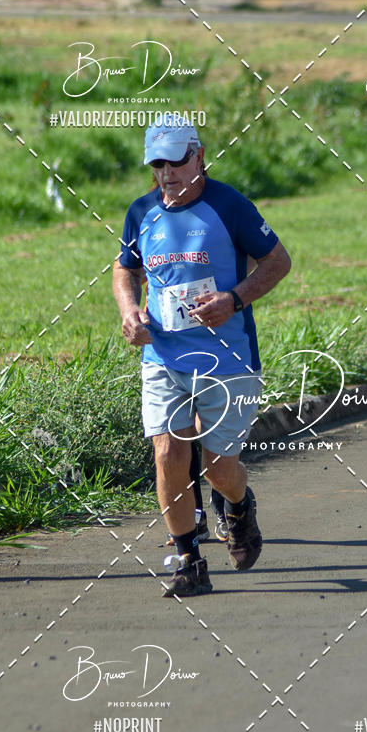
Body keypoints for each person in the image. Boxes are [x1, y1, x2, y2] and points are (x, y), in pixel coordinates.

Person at [113, 116, 291, 597]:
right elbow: (124, 269)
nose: (167, 172)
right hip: (163, 357)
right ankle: (188, 559)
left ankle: (238, 506)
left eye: (176, 160)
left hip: (229, 359)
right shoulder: (141, 211)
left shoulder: (229, 206)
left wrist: (232, 300)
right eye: (157, 163)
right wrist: (131, 311)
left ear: (199, 155)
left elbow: (278, 262)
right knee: (168, 451)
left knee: (218, 468)